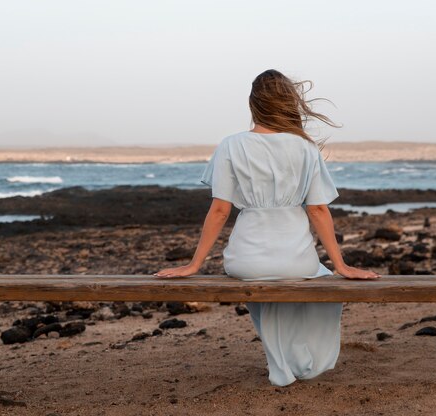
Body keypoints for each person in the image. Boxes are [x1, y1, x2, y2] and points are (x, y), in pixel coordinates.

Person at [153, 69, 381, 386]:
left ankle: (282, 360)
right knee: (318, 277)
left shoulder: (231, 145)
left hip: (246, 262)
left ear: (254, 105)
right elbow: (317, 209)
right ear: (288, 104)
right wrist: (340, 264)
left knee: (265, 279)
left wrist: (194, 265)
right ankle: (296, 360)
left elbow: (220, 210)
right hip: (296, 260)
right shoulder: (305, 148)